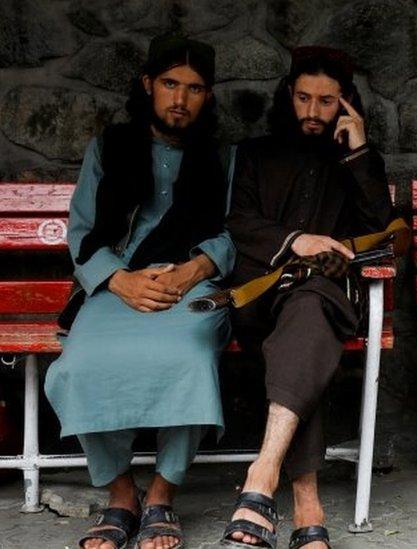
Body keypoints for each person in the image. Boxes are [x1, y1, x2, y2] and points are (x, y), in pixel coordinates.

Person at [44, 34, 235, 549]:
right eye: (170, 84)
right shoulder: (109, 147)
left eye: (195, 88)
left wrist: (195, 269)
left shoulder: (222, 158)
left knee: (190, 359)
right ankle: (122, 494)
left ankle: (162, 495)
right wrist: (119, 279)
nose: (180, 99)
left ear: (208, 96)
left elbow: (233, 232)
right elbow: (82, 232)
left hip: (190, 287)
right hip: (115, 286)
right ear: (148, 84)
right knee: (80, 365)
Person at [220, 46, 393, 549]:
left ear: (347, 103)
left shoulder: (358, 160)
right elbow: (238, 224)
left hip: (331, 296)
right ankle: (304, 500)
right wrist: (299, 241)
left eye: (326, 101)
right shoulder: (254, 155)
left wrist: (359, 154)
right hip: (260, 297)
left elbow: (381, 233)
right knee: (303, 333)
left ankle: (262, 478)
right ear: (287, 95)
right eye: (303, 98)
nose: (313, 112)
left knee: (311, 309)